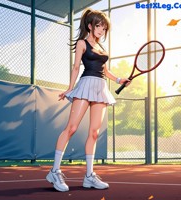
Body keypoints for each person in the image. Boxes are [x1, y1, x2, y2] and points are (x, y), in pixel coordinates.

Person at [45, 8, 130, 192]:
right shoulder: (82, 43)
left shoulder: (102, 47)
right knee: (71, 128)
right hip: (85, 85)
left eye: (105, 28)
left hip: (100, 88)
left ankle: (89, 176)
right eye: (99, 26)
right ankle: (54, 171)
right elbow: (76, 68)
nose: (102, 30)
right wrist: (69, 88)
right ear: (90, 26)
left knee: (93, 133)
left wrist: (118, 80)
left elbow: (105, 71)